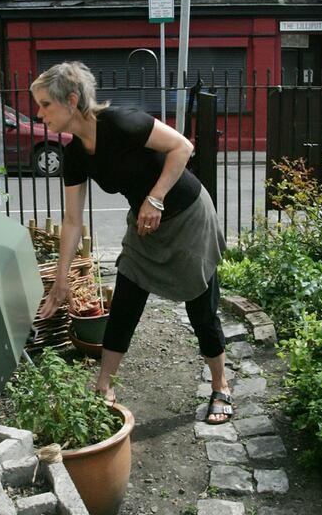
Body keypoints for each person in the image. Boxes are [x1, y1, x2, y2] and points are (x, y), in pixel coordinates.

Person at [32, 61, 232, 424]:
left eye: (45, 104)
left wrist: (155, 198)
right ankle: (104, 385)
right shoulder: (76, 153)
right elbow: (73, 220)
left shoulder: (122, 122)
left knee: (200, 308)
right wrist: (61, 278)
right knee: (125, 299)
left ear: (72, 99)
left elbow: (182, 148)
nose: (39, 113)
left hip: (187, 216)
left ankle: (221, 385)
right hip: (145, 224)